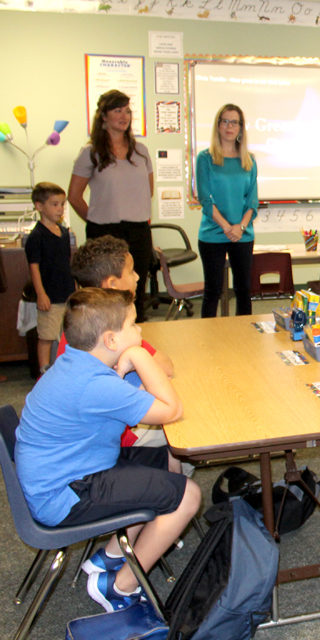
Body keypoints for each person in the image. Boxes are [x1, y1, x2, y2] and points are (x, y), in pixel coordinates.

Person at [15, 287, 200, 612]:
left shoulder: (77, 364)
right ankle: (119, 586)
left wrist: (134, 363)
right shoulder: (95, 384)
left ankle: (110, 555)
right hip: (64, 495)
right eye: (134, 325)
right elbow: (172, 410)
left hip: (65, 475)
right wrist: (140, 355)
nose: (141, 331)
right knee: (189, 495)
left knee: (161, 461)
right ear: (112, 341)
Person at [62, 235, 175, 448]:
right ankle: (171, 478)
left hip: (91, 430)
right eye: (131, 271)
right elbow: (166, 367)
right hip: (111, 437)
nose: (138, 277)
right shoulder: (113, 334)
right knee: (182, 425)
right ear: (112, 284)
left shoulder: (81, 323)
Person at [68, 89, 154, 321]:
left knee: (135, 291)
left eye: (127, 111)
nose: (124, 116)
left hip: (138, 231)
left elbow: (148, 192)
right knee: (105, 295)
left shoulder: (141, 152)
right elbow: (74, 196)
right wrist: (96, 219)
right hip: (104, 232)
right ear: (104, 116)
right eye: (118, 110)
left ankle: (137, 343)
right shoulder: (90, 153)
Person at [196, 103, 258, 317]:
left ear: (241, 128)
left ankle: (244, 340)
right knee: (212, 292)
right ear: (218, 125)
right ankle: (209, 343)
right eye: (225, 121)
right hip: (213, 234)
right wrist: (227, 227)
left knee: (243, 291)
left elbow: (252, 201)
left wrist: (239, 227)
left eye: (235, 122)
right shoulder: (205, 158)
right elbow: (205, 199)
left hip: (242, 234)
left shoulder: (249, 160)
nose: (229, 126)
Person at [25, 182, 75, 372]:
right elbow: (34, 268)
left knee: (66, 334)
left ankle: (62, 369)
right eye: (54, 204)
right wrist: (41, 294)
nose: (60, 209)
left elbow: (66, 263)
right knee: (47, 336)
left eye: (62, 204)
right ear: (39, 206)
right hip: (50, 296)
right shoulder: (37, 236)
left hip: (66, 292)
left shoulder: (63, 232)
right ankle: (43, 372)